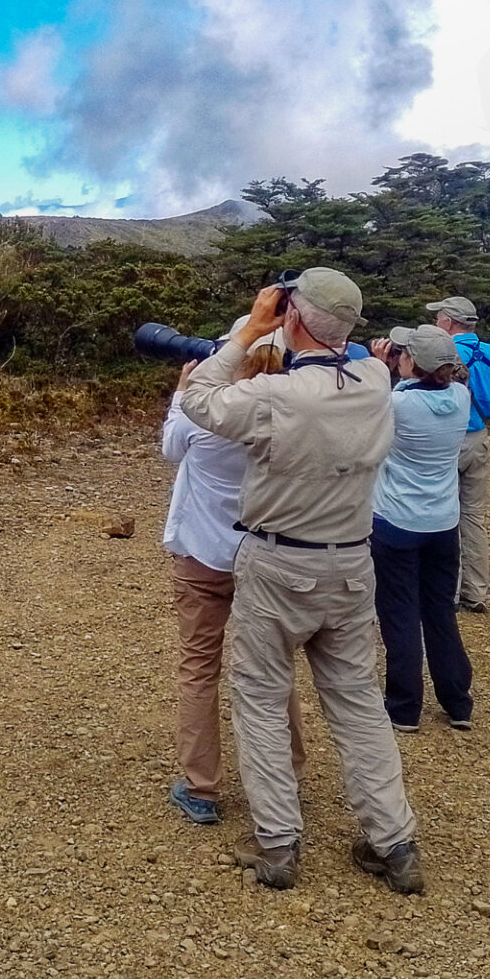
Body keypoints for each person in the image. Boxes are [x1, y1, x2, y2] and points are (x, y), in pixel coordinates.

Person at [179, 268, 425, 896]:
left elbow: (199, 398)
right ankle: (393, 842)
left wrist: (251, 332)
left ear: (290, 316)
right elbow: (364, 351)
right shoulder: (375, 379)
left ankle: (279, 844)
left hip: (278, 562)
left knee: (260, 697)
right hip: (350, 563)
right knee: (358, 702)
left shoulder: (276, 398)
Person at [159, 327, 305, 826]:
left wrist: (184, 390)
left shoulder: (204, 414)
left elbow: (170, 447)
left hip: (202, 555)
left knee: (199, 670)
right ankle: (286, 773)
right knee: (272, 668)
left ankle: (202, 787)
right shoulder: (290, 416)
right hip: (264, 557)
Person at [364, 325, 474, 732]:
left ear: (411, 362)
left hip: (396, 521)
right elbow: (446, 381)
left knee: (400, 614)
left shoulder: (396, 403)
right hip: (443, 522)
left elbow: (366, 414)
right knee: (440, 611)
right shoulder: (461, 398)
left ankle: (404, 706)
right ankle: (457, 701)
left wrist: (378, 368)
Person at [425, 296, 490, 613]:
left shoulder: (442, 353)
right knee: (473, 516)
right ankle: (476, 590)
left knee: (443, 514)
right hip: (479, 435)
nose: (435, 324)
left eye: (437, 318)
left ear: (448, 321)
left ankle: (449, 592)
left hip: (448, 438)